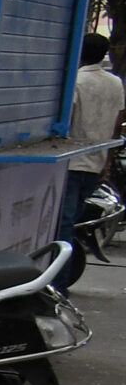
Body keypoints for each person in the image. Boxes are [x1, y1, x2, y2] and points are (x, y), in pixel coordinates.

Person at [62, 30, 121, 292]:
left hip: (71, 162)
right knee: (71, 223)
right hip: (96, 162)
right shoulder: (115, 83)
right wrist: (107, 161)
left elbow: (68, 120)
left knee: (63, 227)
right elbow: (117, 124)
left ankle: (58, 284)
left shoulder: (75, 82)